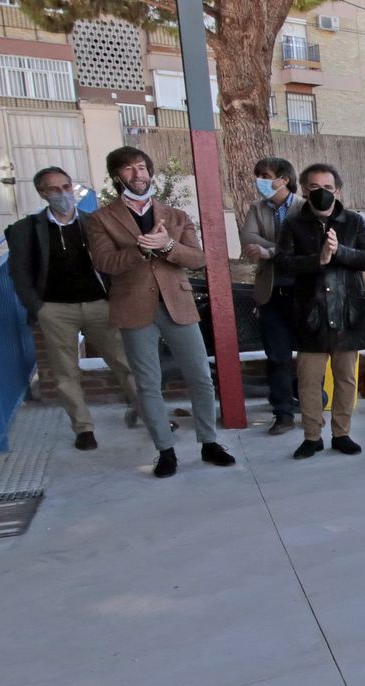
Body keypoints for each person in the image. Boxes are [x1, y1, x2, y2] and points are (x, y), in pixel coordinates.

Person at [85, 147, 235, 478]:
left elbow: (198, 259)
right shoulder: (100, 219)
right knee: (148, 383)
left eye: (142, 167)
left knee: (200, 376)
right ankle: (165, 451)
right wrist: (140, 249)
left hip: (177, 305)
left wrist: (167, 246)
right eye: (128, 169)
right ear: (116, 177)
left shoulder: (176, 215)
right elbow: (104, 263)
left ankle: (209, 442)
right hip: (134, 309)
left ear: (150, 173)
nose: (138, 174)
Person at [6, 165, 139, 450]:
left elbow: (114, 263)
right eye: (54, 189)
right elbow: (19, 274)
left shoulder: (94, 223)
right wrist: (38, 308)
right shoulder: (26, 230)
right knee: (66, 372)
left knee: (125, 362)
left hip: (98, 305)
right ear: (42, 193)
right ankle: (83, 428)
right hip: (55, 310)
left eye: (66, 187)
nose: (63, 194)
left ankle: (149, 412)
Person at [275, 163, 365, 460]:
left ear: (338, 190)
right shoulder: (293, 225)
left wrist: (339, 252)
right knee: (309, 379)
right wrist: (318, 258)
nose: (323, 193)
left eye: (328, 188)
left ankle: (342, 433)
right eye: (316, 188)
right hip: (311, 314)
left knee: (346, 378)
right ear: (306, 190)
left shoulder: (354, 222)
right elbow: (282, 263)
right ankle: (312, 436)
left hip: (349, 313)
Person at [237, 156, 306, 436]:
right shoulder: (257, 208)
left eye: (265, 175)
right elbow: (248, 239)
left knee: (309, 355)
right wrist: (283, 248)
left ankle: (310, 401)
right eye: (258, 175)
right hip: (271, 293)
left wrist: (270, 252)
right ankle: (283, 414)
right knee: (277, 356)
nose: (260, 181)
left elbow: (306, 246)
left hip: (302, 292)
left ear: (284, 179)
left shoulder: (304, 208)